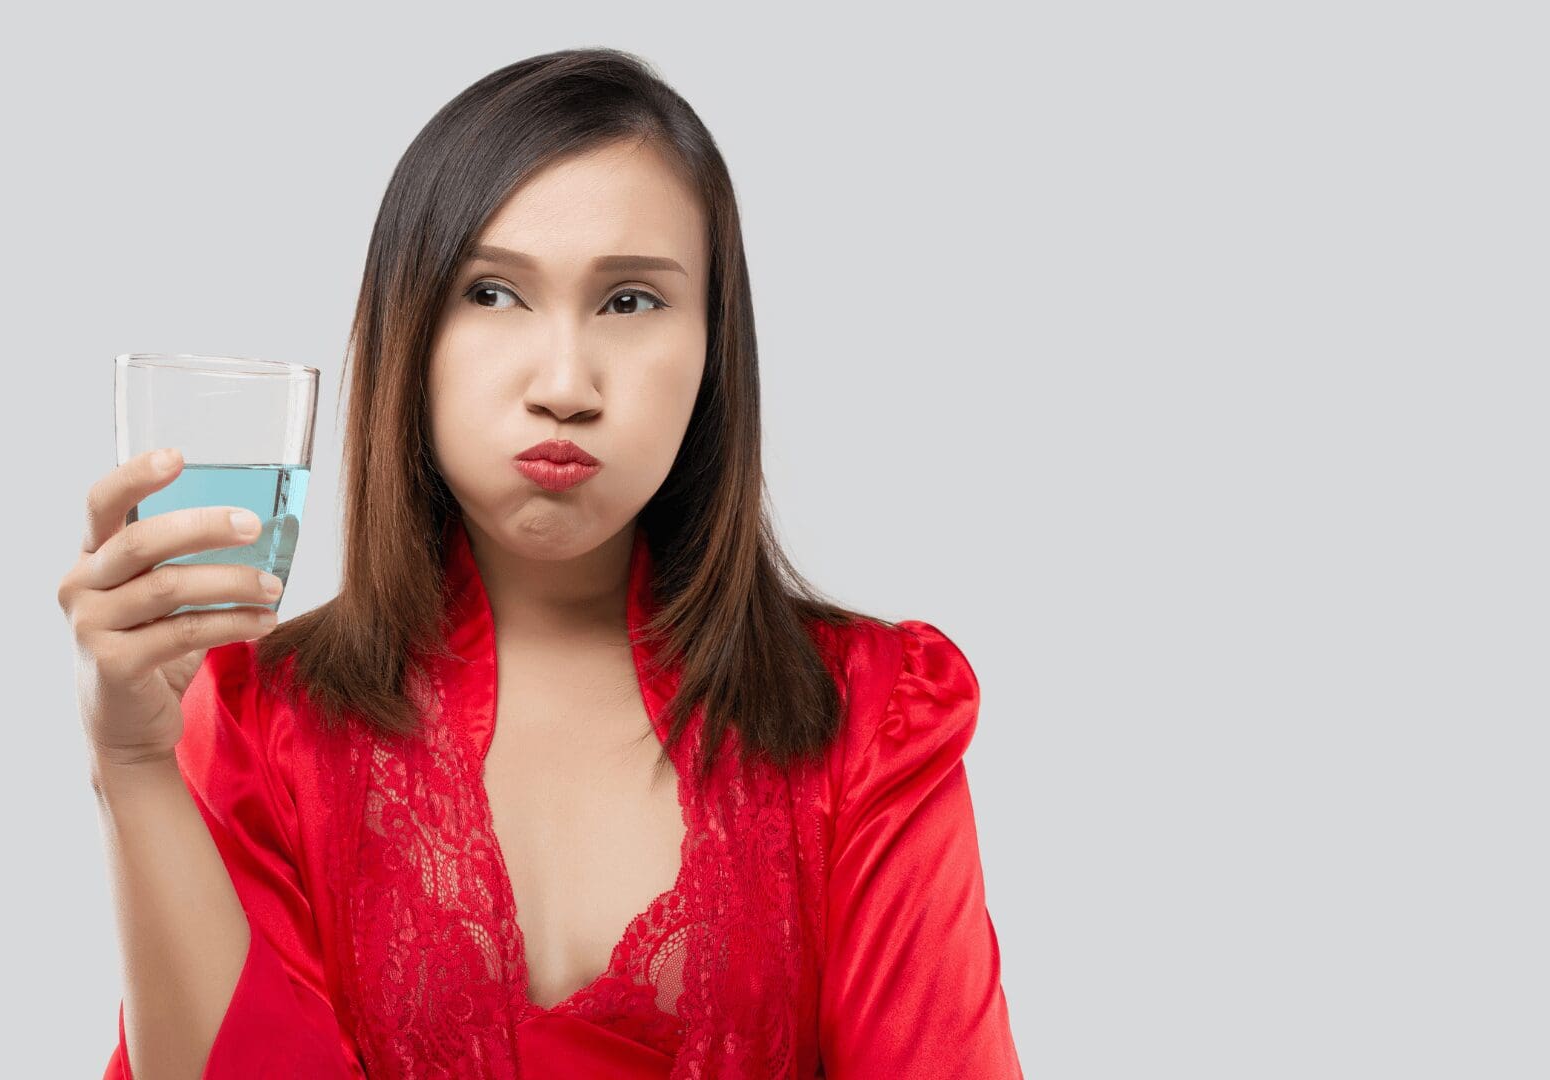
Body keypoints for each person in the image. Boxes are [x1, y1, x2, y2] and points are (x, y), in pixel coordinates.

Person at [58, 47, 1023, 1079]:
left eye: (630, 302)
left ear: (713, 348)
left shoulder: (871, 716)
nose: (564, 384)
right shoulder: (261, 719)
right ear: (407, 334)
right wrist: (136, 768)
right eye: (492, 292)